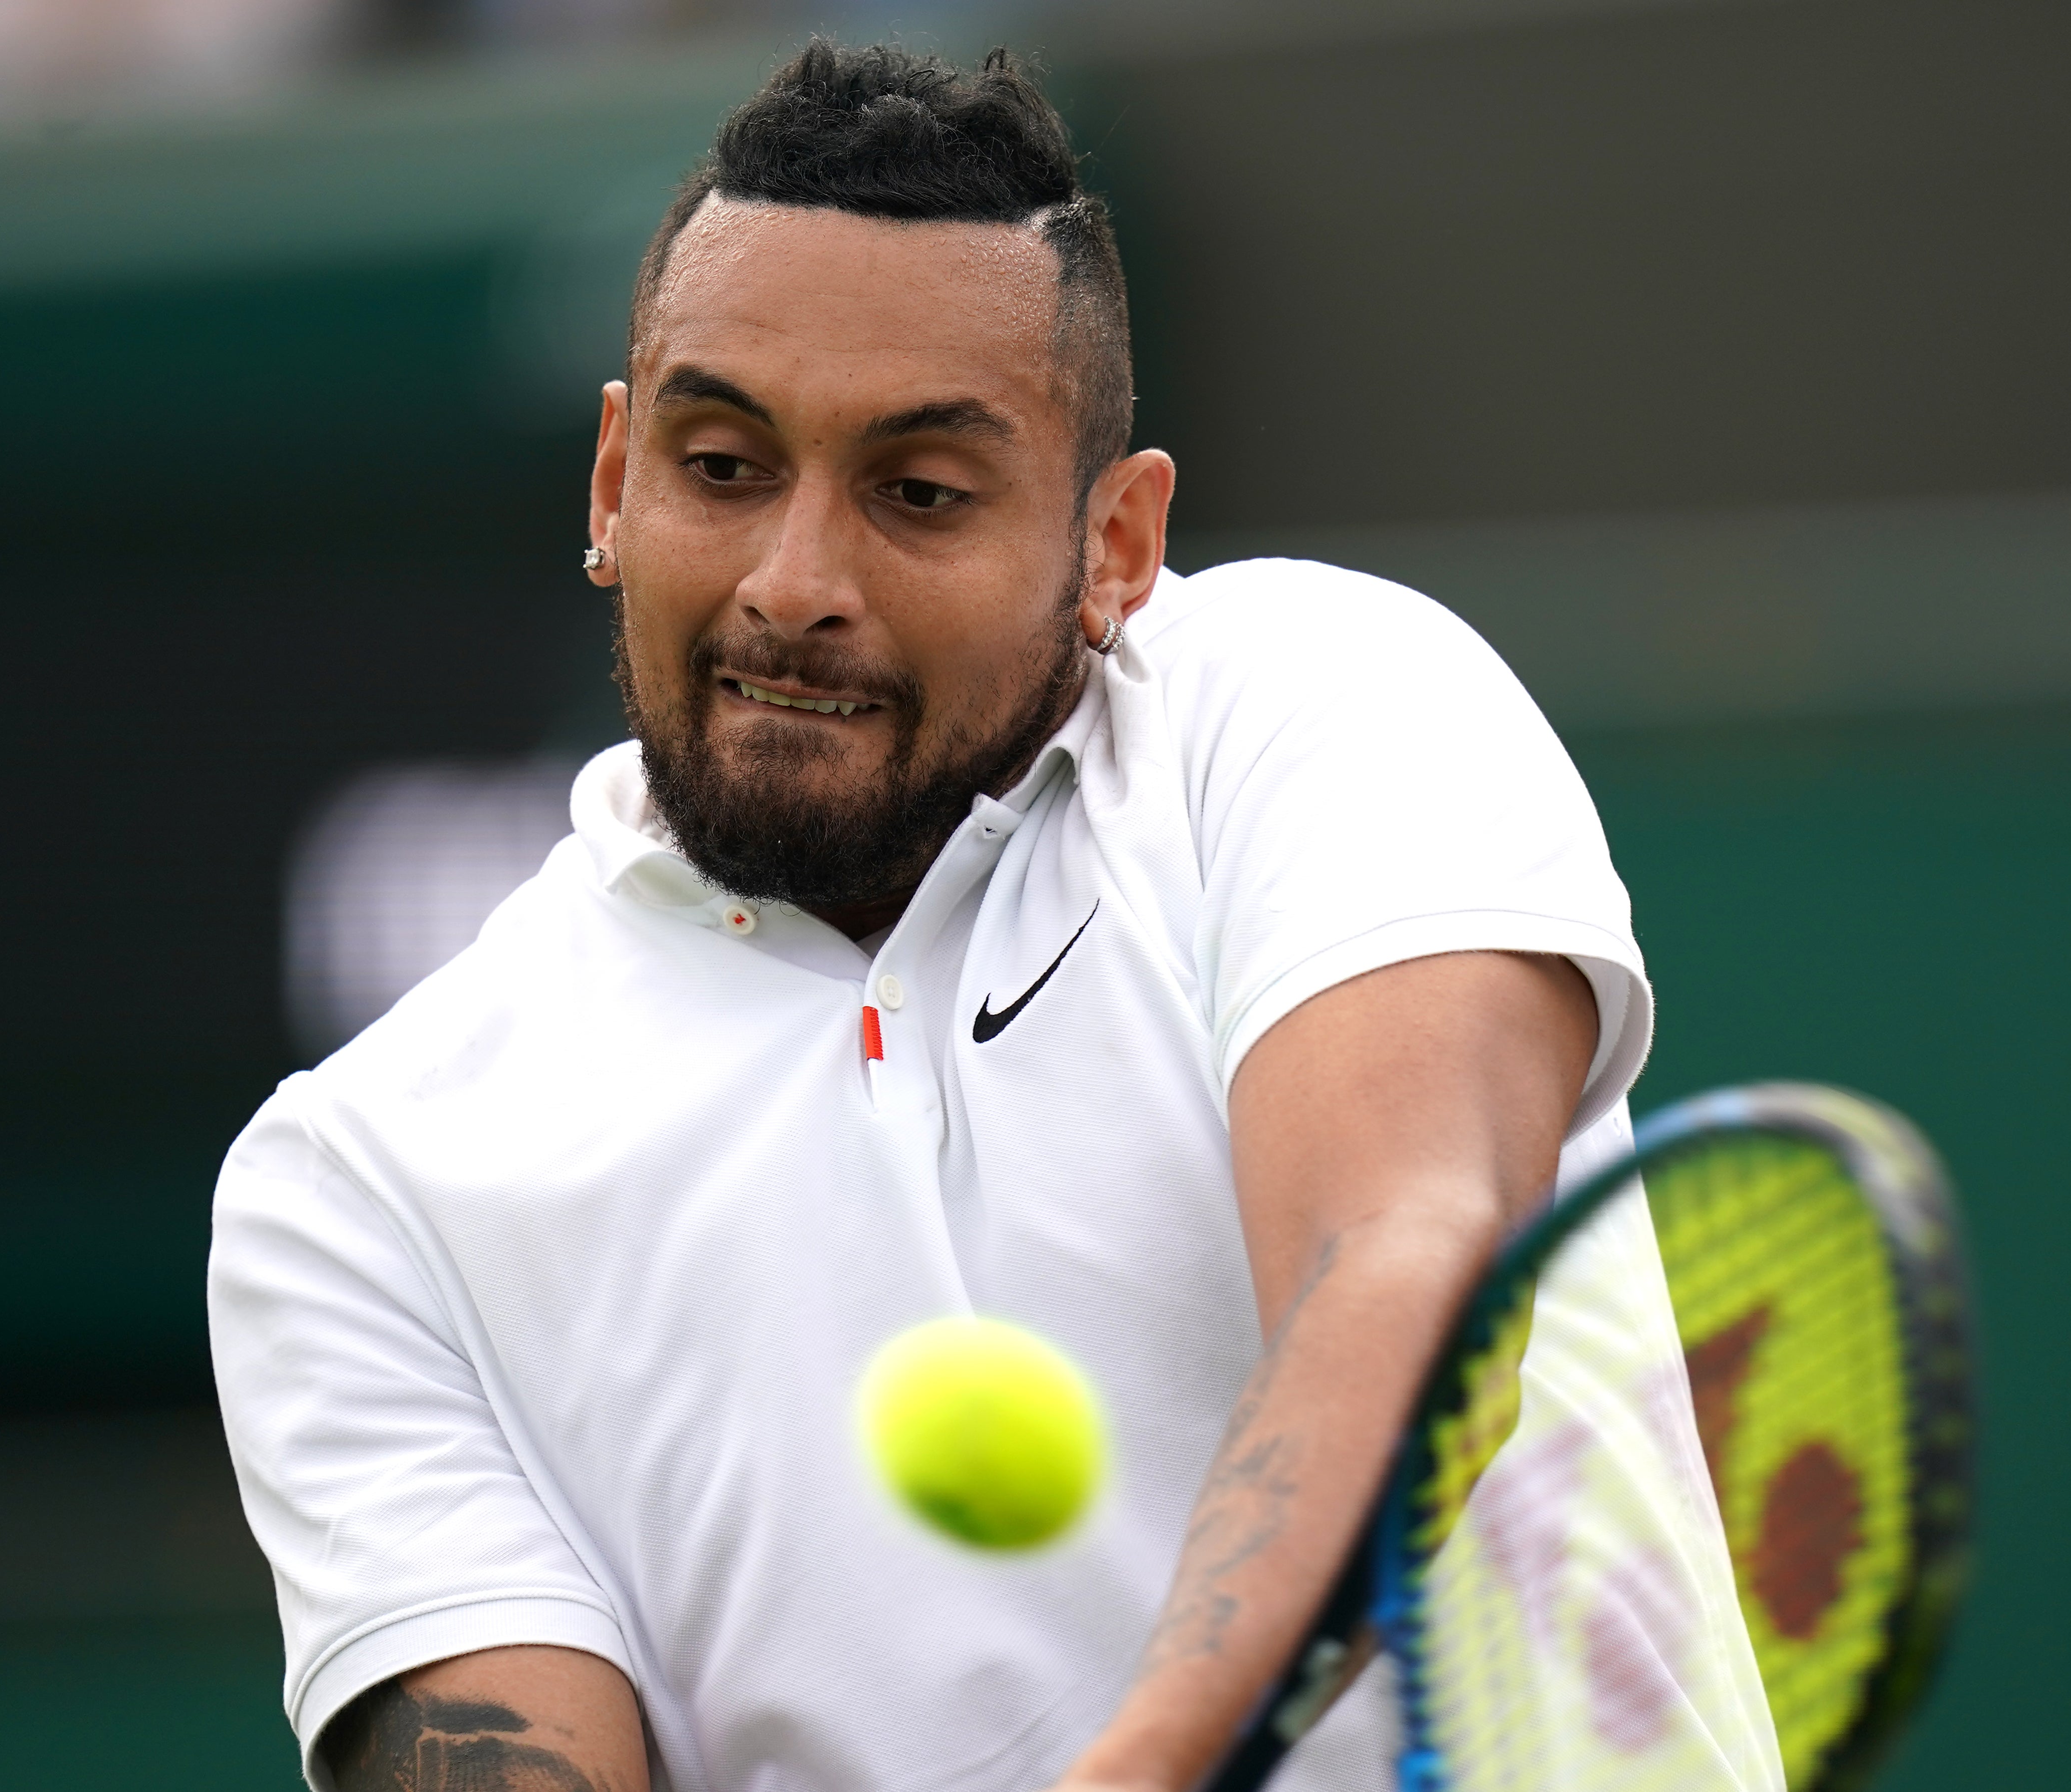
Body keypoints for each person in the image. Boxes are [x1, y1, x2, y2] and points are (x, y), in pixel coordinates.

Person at [209, 41, 1774, 1792]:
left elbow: (1402, 1271)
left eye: (920, 494)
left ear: (1115, 544)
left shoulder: (1320, 701)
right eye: (719, 464)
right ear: (611, 487)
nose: (793, 584)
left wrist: (1142, 1767)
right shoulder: (355, 1188)